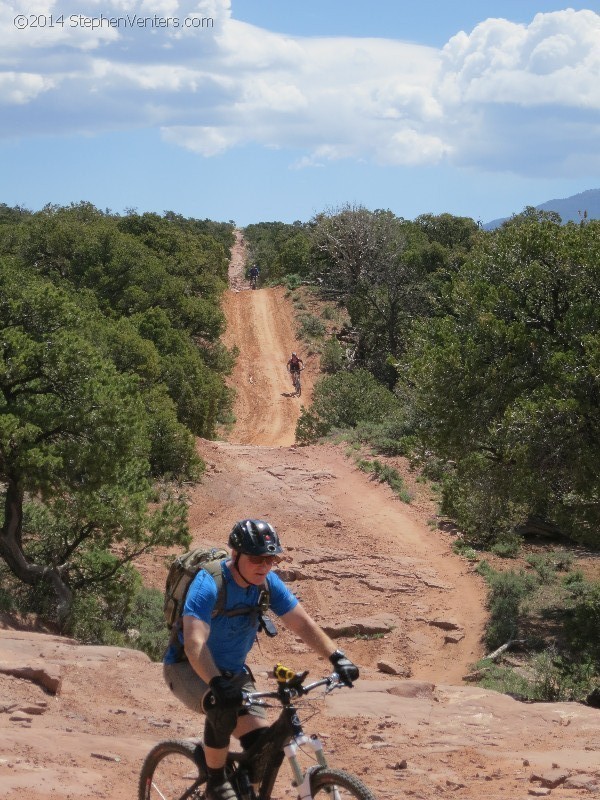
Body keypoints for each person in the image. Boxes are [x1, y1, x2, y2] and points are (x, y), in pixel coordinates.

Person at [163, 519, 359, 800]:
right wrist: (216, 681)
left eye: (271, 559)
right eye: (257, 558)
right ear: (236, 554)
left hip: (233, 672)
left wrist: (337, 657)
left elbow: (302, 624)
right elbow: (195, 643)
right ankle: (216, 782)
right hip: (187, 668)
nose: (264, 565)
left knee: (262, 748)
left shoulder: (267, 584)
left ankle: (242, 788)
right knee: (222, 706)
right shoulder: (208, 583)